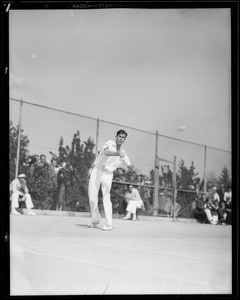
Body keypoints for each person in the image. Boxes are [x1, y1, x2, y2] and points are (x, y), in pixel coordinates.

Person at [88, 129, 136, 231]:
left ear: (124, 139)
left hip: (108, 174)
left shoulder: (124, 153)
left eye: (123, 137)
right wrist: (117, 153)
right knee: (92, 196)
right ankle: (95, 219)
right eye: (119, 136)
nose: (121, 138)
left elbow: (129, 164)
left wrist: (132, 167)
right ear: (116, 136)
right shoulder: (109, 143)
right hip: (97, 171)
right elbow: (106, 152)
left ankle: (109, 224)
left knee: (106, 197)